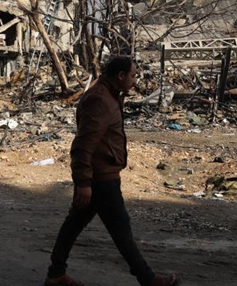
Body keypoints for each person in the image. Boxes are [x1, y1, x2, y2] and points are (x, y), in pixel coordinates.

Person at [44, 56, 181, 286]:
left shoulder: (109, 95)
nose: (135, 81)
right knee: (120, 230)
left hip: (100, 176)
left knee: (73, 225)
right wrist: (84, 183)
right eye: (133, 76)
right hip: (100, 180)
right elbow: (83, 145)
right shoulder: (100, 99)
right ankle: (148, 279)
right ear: (120, 76)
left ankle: (56, 274)